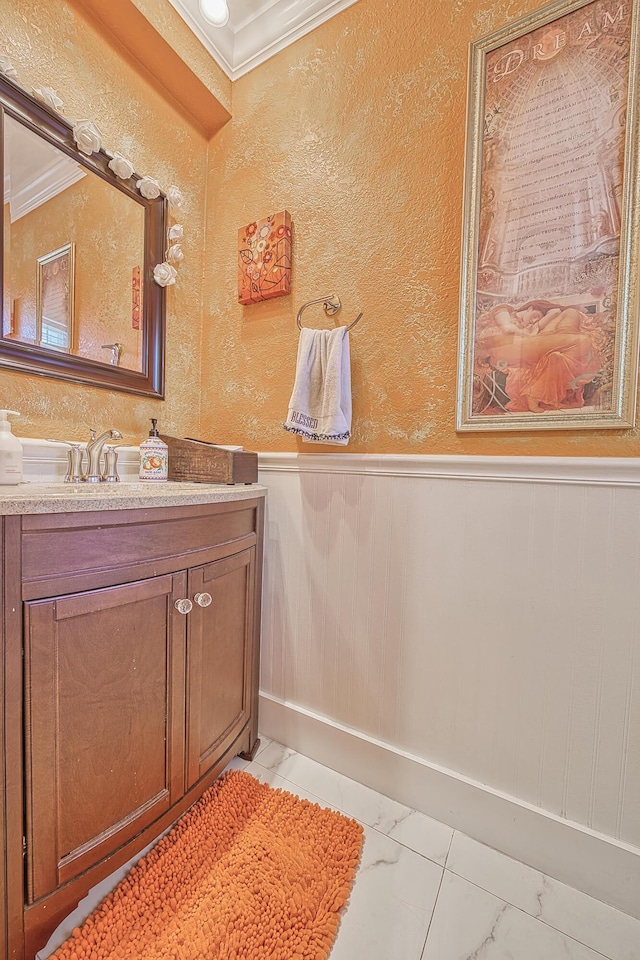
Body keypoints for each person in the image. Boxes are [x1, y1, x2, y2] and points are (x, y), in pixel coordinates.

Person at [475, 300, 602, 413]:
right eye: (536, 315)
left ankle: (537, 389)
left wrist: (553, 314)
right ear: (530, 307)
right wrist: (529, 334)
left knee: (570, 313)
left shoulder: (530, 326)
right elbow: (508, 328)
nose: (534, 320)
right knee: (582, 341)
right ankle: (534, 392)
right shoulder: (504, 309)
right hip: (506, 346)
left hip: (523, 345)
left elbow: (540, 330)